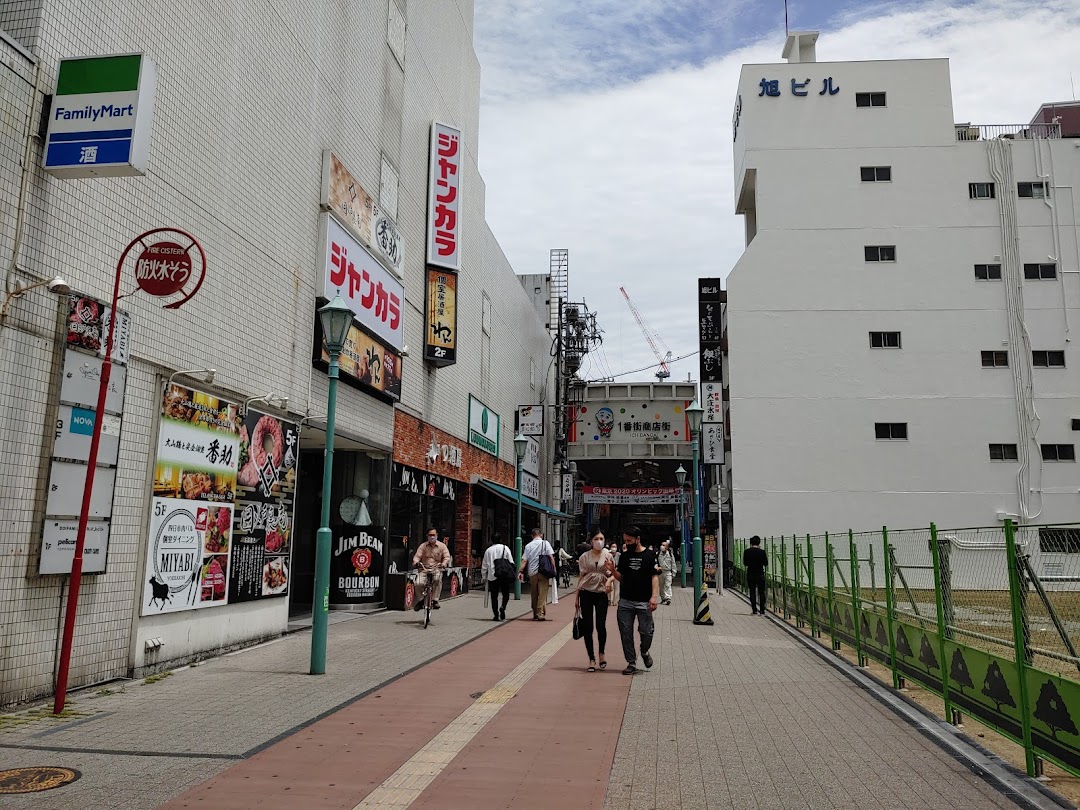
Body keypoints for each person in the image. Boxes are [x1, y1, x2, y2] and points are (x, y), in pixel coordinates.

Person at [605, 526, 658, 675]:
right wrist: (613, 571)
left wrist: (654, 597)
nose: (627, 543)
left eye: (629, 541)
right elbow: (621, 578)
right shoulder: (625, 556)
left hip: (644, 601)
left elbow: (654, 577)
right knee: (626, 633)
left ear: (637, 539)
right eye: (625, 541)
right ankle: (631, 662)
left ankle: (644, 651)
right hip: (626, 601)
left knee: (646, 631)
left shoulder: (649, 555)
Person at [575, 530, 614, 672]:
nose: (599, 541)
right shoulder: (584, 557)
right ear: (591, 541)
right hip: (586, 593)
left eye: (601, 538)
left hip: (601, 593)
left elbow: (614, 573)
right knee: (588, 626)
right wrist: (577, 597)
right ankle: (591, 658)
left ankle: (601, 653)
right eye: (596, 538)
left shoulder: (608, 555)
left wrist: (609, 580)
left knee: (600, 625)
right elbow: (581, 576)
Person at [519, 527, 555, 620]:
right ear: (541, 535)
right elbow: (551, 557)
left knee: (534, 593)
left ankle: (535, 612)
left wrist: (520, 571)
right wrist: (554, 569)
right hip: (544, 571)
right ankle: (540, 613)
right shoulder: (546, 543)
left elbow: (524, 560)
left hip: (532, 573)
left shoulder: (528, 546)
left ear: (532, 536)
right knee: (543, 593)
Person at [412, 528, 451, 611]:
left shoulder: (442, 546)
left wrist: (444, 563)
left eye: (433, 535)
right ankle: (421, 601)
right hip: (424, 568)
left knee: (437, 580)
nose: (432, 537)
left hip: (436, 568)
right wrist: (416, 562)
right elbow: (417, 556)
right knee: (418, 583)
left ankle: (435, 600)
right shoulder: (423, 546)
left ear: (437, 535)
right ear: (427, 536)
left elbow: (446, 557)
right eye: (430, 535)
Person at [481, 533, 515, 621]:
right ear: (500, 539)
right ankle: (503, 606)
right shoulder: (505, 548)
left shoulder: (488, 550)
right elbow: (511, 561)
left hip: (492, 575)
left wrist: (484, 577)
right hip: (504, 574)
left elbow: (484, 565)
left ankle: (496, 615)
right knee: (506, 593)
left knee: (494, 596)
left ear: (491, 540)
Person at [744, 535, 768, 615]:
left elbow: (745, 563)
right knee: (761, 592)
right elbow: (766, 563)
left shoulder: (747, 552)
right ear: (759, 543)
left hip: (750, 573)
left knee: (752, 592)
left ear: (751, 543)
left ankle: (754, 610)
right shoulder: (762, 552)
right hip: (760, 574)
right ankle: (762, 610)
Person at [657, 539, 676, 606]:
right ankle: (663, 598)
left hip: (668, 572)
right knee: (661, 586)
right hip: (660, 572)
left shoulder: (670, 554)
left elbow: (673, 563)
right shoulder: (658, 554)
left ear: (667, 547)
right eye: (662, 545)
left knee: (668, 585)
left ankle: (668, 598)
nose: (662, 546)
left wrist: (674, 573)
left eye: (664, 545)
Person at [607, 541, 621, 606]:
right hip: (609, 572)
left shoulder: (619, 555)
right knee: (609, 586)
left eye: (615, 547)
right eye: (612, 546)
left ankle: (615, 601)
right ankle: (609, 600)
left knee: (616, 586)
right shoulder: (608, 555)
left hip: (616, 571)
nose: (614, 548)